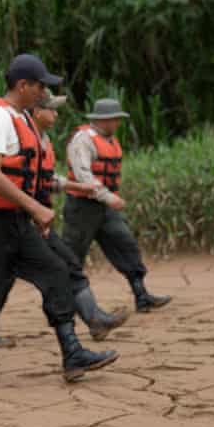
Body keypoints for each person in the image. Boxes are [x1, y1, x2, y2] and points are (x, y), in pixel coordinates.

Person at [0, 54, 119, 389]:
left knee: (56, 272)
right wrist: (36, 209)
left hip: (16, 221)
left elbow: (27, 176)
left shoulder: (22, 119)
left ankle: (73, 353)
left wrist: (32, 213)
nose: (43, 92)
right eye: (40, 85)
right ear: (23, 85)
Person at [0, 90, 129, 348]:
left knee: (63, 268)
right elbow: (9, 179)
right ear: (37, 112)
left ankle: (89, 324)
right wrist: (35, 211)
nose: (56, 114)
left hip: (30, 221)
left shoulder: (41, 140)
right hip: (12, 222)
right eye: (51, 109)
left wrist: (76, 187)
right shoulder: (20, 136)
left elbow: (45, 180)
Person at [62, 98, 172, 312]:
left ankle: (141, 295)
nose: (117, 124)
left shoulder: (110, 140)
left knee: (125, 244)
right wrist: (108, 197)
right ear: (104, 120)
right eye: (115, 120)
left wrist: (107, 200)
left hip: (103, 207)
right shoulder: (83, 140)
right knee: (72, 256)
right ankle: (65, 305)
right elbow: (83, 174)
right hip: (82, 207)